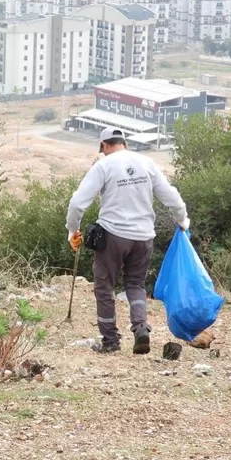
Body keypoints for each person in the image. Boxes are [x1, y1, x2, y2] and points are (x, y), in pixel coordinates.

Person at [66, 128, 188, 355]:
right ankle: (140, 327)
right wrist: (183, 220)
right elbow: (171, 196)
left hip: (113, 235)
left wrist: (73, 230)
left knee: (104, 287)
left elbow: (77, 204)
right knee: (135, 284)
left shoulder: (103, 166)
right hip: (144, 237)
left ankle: (110, 342)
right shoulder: (147, 163)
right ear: (125, 143)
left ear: (103, 146)